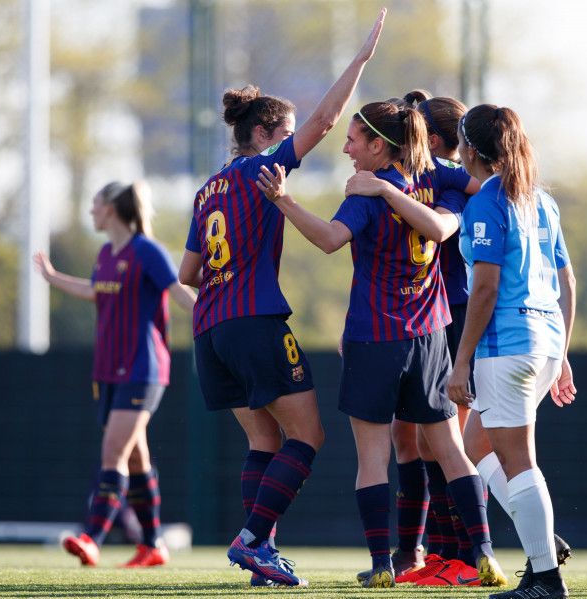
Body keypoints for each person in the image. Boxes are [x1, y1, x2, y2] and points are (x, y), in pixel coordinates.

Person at [257, 99, 507, 589]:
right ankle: (484, 554)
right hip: (430, 336)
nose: (347, 149)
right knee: (451, 451)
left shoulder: (367, 193)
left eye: (353, 140)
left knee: (373, 459)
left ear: (378, 144)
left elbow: (330, 240)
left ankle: (380, 566)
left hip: (375, 337)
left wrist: (284, 201)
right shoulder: (439, 178)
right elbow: (482, 190)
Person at [176, 9, 386, 588]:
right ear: (267, 135)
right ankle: (250, 540)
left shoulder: (206, 189)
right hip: (255, 320)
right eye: (286, 133)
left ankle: (262, 552)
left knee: (263, 439)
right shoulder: (260, 172)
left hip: (210, 329)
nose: (297, 142)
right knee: (308, 436)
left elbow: (188, 272)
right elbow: (324, 118)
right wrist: (361, 60)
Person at [345, 90, 485, 586]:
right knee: (414, 443)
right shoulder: (408, 178)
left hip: (451, 316)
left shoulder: (447, 181)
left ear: (438, 142)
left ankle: (463, 553)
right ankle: (415, 554)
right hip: (407, 322)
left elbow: (448, 224)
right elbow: (370, 257)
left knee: (449, 443)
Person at [445, 104, 577, 599]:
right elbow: (567, 282)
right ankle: (541, 537)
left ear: (472, 151)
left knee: (519, 462)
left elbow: (485, 290)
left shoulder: (487, 202)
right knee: (476, 446)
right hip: (542, 343)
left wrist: (462, 361)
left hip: (508, 346)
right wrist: (561, 353)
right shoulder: (542, 200)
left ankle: (544, 575)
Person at [34, 181, 196, 568]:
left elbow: (179, 292)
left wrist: (217, 318)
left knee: (113, 452)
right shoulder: (107, 252)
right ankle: (154, 545)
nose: (91, 211)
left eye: (95, 204)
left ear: (111, 208)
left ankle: (93, 537)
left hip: (143, 369)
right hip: (108, 370)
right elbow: (97, 291)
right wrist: (54, 278)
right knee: (136, 459)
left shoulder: (147, 251)